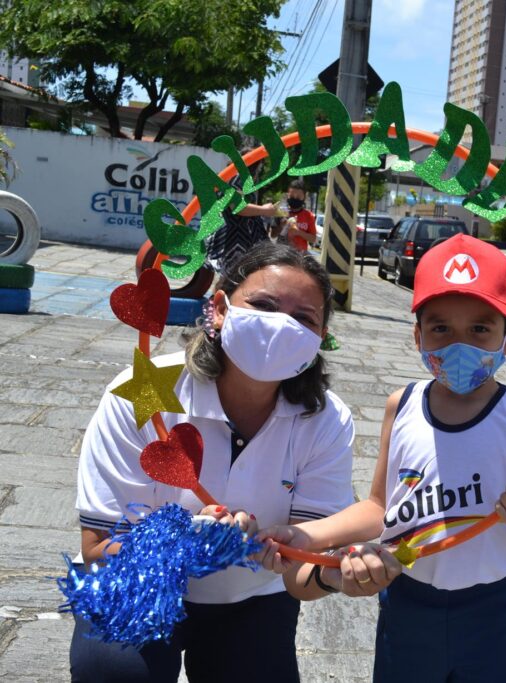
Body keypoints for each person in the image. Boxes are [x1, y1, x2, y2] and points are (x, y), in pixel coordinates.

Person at [70, 242, 379, 683]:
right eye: (263, 305)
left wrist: (338, 574)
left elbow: (303, 569)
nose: (279, 325)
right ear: (218, 308)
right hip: (138, 582)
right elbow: (98, 547)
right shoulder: (144, 392)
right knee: (116, 673)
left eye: (303, 318)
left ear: (319, 339)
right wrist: (189, 542)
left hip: (250, 597)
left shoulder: (326, 419)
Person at [258, 234, 506, 683]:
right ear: (417, 336)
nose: (459, 345)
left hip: (491, 614)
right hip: (407, 604)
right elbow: (380, 507)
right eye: (440, 329)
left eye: (480, 329)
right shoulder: (402, 404)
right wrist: (304, 534)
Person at [204, 148, 279, 276]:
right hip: (235, 237)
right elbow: (237, 207)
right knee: (232, 277)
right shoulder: (237, 178)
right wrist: (264, 210)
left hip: (240, 237)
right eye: (260, 164)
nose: (259, 169)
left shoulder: (244, 179)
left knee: (235, 277)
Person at [278, 180, 317, 252]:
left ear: (304, 197)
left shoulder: (309, 216)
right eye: (292, 196)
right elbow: (272, 235)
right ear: (288, 195)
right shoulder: (281, 213)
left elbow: (313, 239)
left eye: (298, 198)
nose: (295, 199)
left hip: (300, 256)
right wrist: (281, 227)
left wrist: (299, 232)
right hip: (281, 253)